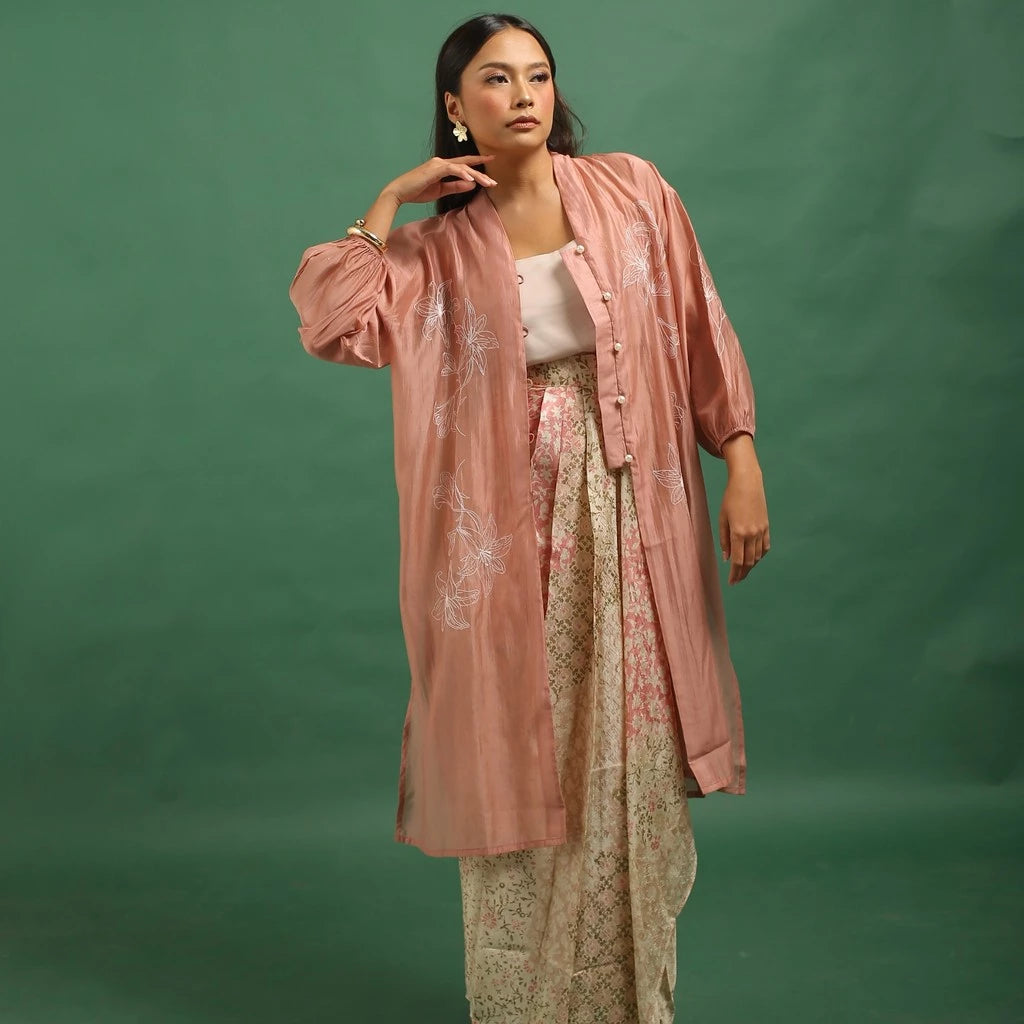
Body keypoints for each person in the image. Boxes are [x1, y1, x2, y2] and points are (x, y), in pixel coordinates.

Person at [288, 12, 770, 1023]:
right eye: (495, 81)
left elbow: (697, 327)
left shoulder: (634, 192)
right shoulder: (434, 250)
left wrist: (740, 459)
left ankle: (631, 999)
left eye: (538, 76)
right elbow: (335, 323)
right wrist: (384, 202)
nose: (522, 96)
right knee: (524, 747)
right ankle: (525, 1003)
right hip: (506, 539)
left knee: (630, 745)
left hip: (635, 508)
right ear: (455, 109)